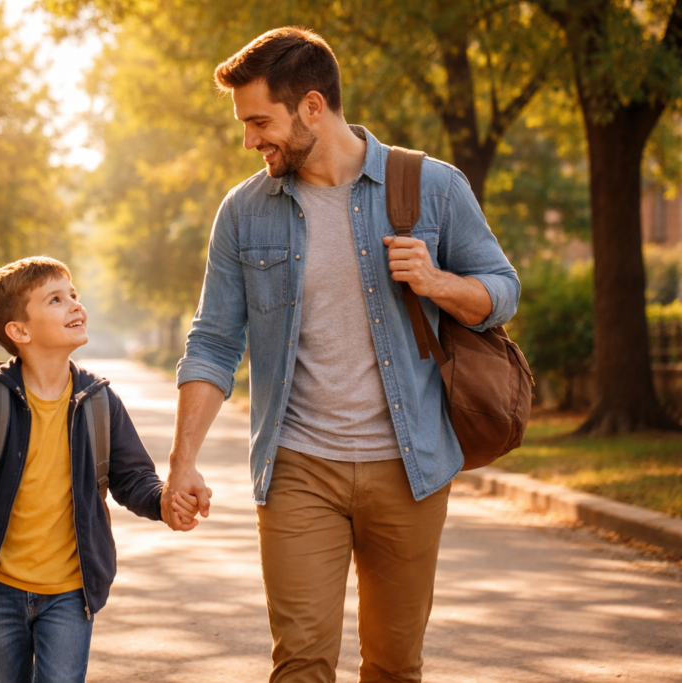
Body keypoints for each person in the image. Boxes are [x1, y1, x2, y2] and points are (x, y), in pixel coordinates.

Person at [163, 27, 521, 683]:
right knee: (300, 661)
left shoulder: (432, 187)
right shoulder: (245, 212)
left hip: (410, 466)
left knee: (392, 664)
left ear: (312, 108)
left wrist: (437, 282)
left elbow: (502, 290)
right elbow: (214, 339)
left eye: (258, 121)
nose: (249, 140)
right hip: (299, 466)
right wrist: (182, 459)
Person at [0, 256, 199, 683]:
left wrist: (164, 502)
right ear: (19, 331)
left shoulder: (99, 402)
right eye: (56, 299)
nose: (75, 305)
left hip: (72, 592)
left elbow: (131, 477)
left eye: (73, 295)